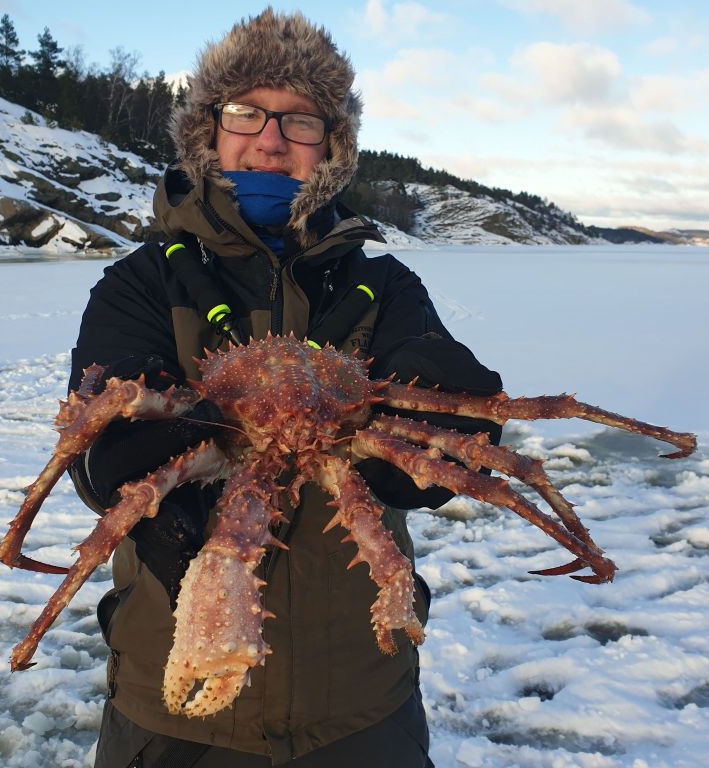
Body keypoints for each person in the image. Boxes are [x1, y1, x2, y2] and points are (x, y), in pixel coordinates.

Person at [67, 9, 503, 767]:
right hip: (167, 703)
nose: (270, 139)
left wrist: (464, 435)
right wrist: (102, 457)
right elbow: (90, 440)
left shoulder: (382, 284)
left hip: (363, 702)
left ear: (331, 146)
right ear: (209, 129)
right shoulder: (141, 282)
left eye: (300, 121)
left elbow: (459, 416)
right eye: (246, 113)